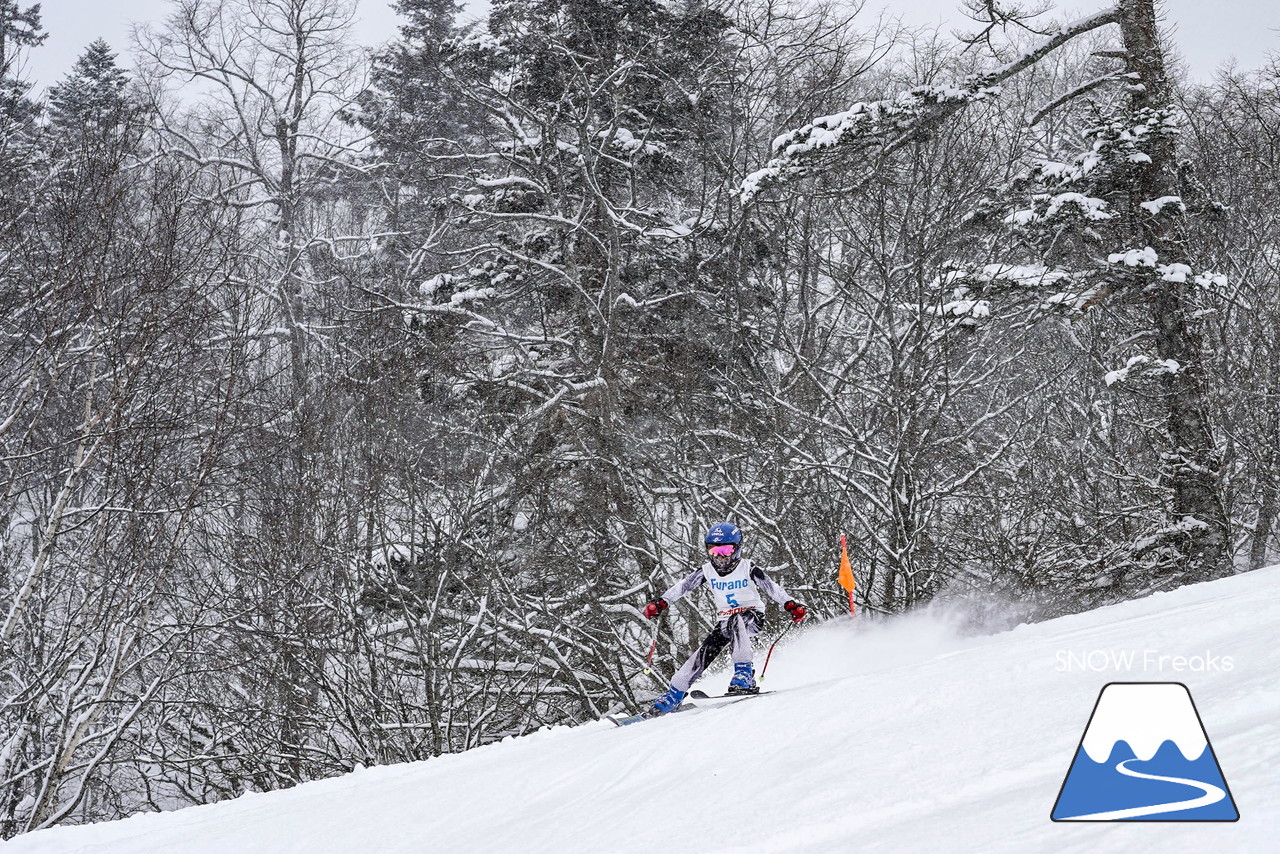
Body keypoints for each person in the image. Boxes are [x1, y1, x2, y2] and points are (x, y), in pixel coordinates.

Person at [642, 522, 806, 716]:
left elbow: (772, 587)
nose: (719, 557)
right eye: (714, 551)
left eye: (726, 550)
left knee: (737, 618)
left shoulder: (748, 567)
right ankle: (675, 693)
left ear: (737, 550)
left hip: (752, 617)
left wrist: (790, 604)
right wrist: (662, 602)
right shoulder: (707, 571)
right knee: (704, 651)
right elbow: (683, 586)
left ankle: (744, 673)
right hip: (725, 622)